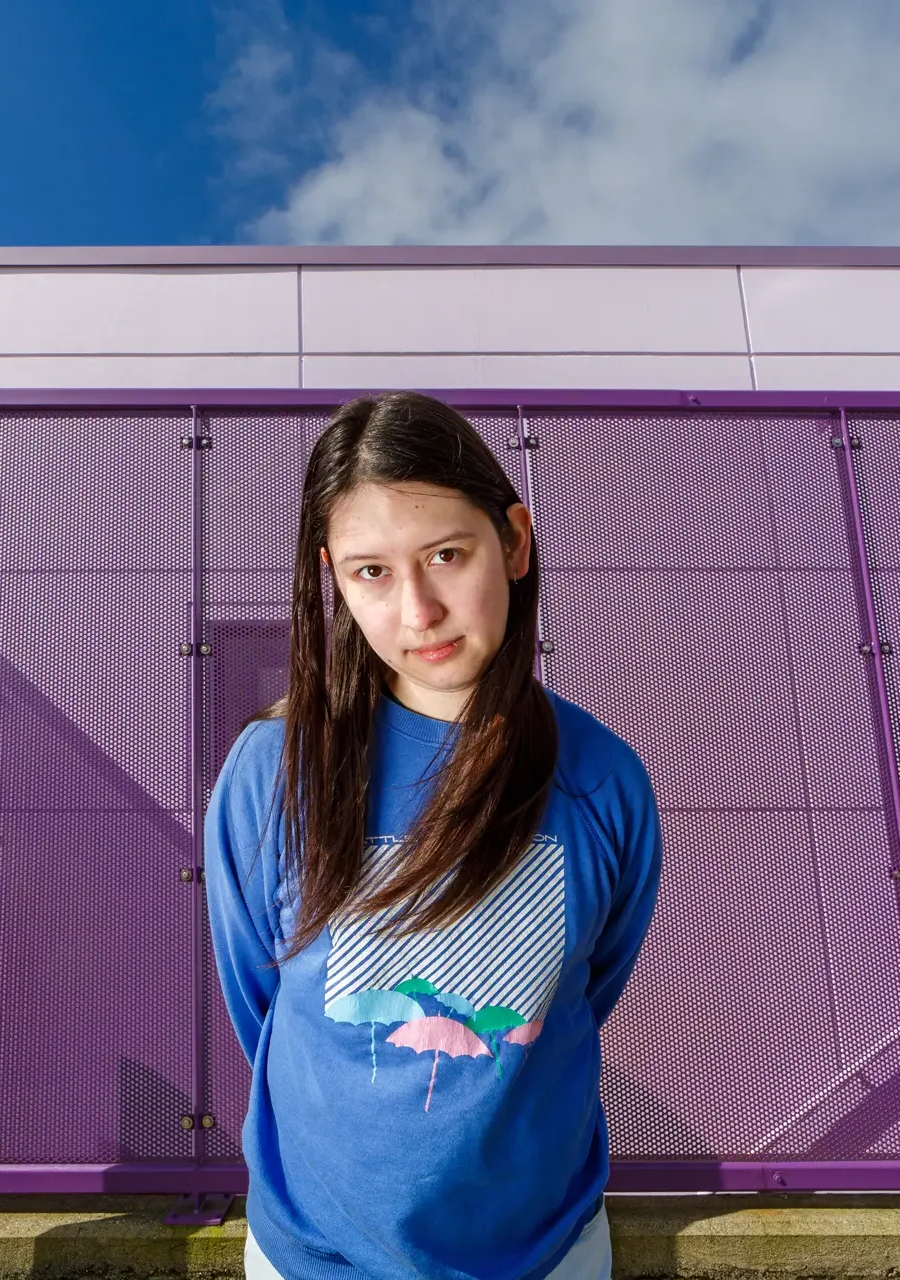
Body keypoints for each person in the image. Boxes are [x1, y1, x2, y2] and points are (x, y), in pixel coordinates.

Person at [205, 390, 664, 1280]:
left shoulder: (604, 779)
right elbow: (258, 1000)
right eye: (370, 573)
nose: (416, 611)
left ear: (516, 543)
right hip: (314, 1254)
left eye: (446, 555)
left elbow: (583, 989)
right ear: (333, 577)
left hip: (545, 1252)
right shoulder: (274, 770)